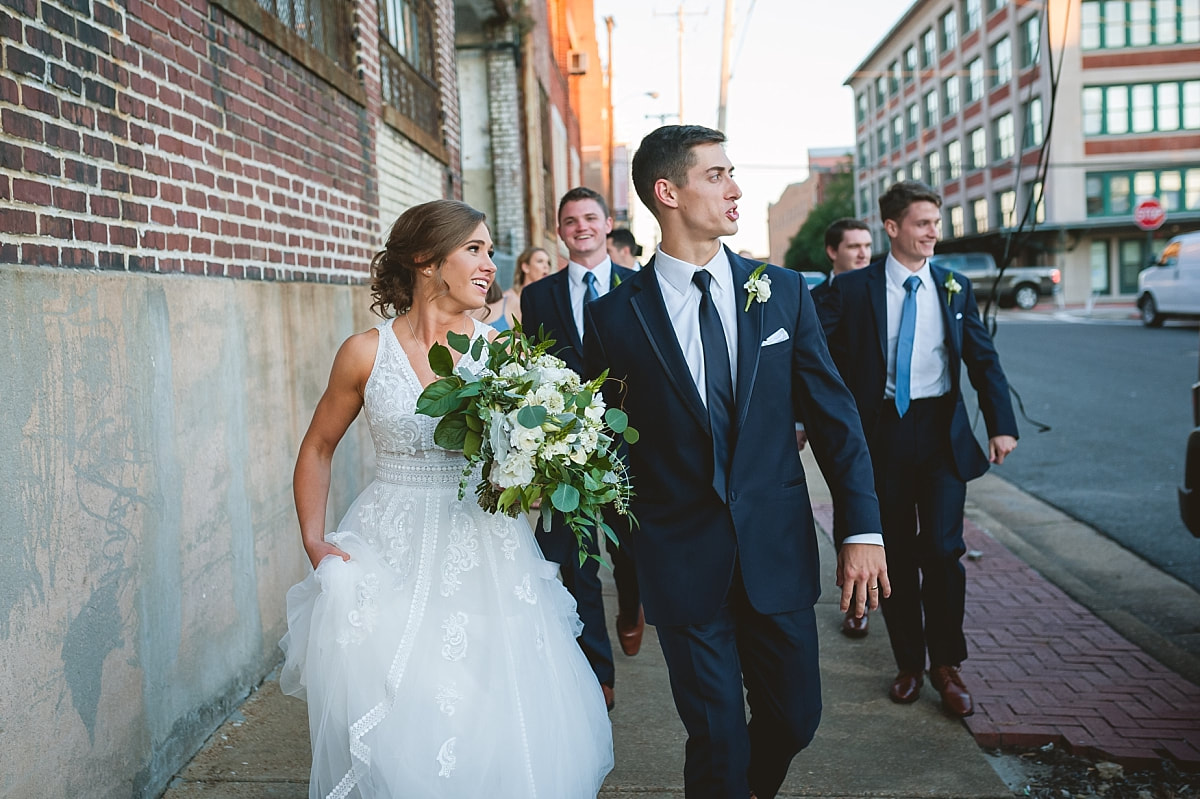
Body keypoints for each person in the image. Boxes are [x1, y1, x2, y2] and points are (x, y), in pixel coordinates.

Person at [583, 124, 887, 799]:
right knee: (716, 735)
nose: (736, 187)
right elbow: (603, 444)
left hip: (775, 551)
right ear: (668, 191)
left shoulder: (781, 291)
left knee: (795, 718)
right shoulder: (612, 319)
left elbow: (836, 421)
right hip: (682, 561)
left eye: (732, 172)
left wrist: (861, 529)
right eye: (716, 174)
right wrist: (633, 557)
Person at [279, 199, 613, 798]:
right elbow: (318, 447)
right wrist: (313, 538)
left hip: (485, 549)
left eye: (489, 251)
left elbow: (524, 463)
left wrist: (539, 471)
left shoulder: (505, 354)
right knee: (398, 705)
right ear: (426, 260)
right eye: (475, 250)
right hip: (389, 546)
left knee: (487, 704)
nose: (490, 264)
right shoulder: (365, 352)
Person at [817, 181, 1018, 719]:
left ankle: (947, 665)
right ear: (892, 228)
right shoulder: (852, 290)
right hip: (880, 435)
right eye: (923, 223)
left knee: (944, 553)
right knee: (898, 557)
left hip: (940, 435)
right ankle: (909, 663)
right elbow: (815, 356)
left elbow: (983, 359)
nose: (934, 233)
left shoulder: (953, 286)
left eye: (936, 222)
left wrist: (1001, 424)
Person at [520, 187, 642, 712]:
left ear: (607, 223)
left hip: (630, 442)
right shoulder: (538, 296)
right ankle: (598, 670)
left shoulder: (640, 287)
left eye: (590, 218)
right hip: (566, 447)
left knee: (631, 550)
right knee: (577, 560)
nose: (581, 227)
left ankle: (633, 604)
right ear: (559, 229)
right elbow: (534, 367)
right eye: (570, 220)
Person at [809, 216, 875, 639]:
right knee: (849, 506)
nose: (863, 254)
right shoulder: (816, 299)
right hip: (837, 424)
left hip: (883, 420)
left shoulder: (882, 294)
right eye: (853, 246)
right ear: (834, 251)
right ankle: (857, 601)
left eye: (868, 246)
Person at [485, 245, 553, 330]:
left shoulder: (549, 303)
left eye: (548, 263)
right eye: (540, 261)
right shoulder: (506, 299)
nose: (546, 266)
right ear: (525, 267)